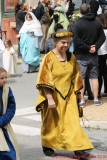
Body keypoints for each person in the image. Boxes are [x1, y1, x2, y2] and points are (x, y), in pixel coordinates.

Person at [36, 29, 94, 158]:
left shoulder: (71, 57)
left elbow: (76, 77)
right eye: (63, 42)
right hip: (53, 96)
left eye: (68, 43)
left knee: (72, 123)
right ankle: (47, 144)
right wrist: (50, 99)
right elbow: (44, 80)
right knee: (51, 123)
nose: (66, 45)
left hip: (69, 96)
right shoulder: (48, 58)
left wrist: (79, 95)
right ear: (55, 42)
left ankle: (78, 149)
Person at [73, 3, 105, 106]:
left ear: (80, 12)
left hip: (82, 54)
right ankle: (96, 99)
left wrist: (87, 47)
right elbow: (102, 37)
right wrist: (95, 47)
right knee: (94, 76)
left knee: (82, 78)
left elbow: (76, 40)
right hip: (94, 54)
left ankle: (81, 100)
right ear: (89, 10)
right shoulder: (97, 23)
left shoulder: (78, 24)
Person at [96, 14, 107, 97]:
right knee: (105, 73)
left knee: (99, 73)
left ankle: (98, 91)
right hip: (105, 53)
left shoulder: (99, 31)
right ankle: (106, 90)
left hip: (99, 53)